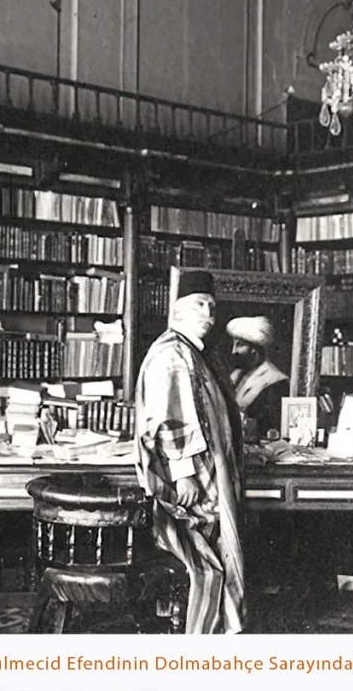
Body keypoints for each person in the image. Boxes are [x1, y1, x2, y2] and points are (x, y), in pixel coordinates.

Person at [133, 270, 247, 634]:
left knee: (220, 550)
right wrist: (183, 472)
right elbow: (170, 415)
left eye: (212, 306)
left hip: (206, 469)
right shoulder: (173, 354)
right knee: (209, 561)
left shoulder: (192, 351)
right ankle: (204, 640)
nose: (208, 314)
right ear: (178, 310)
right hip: (190, 477)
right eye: (199, 304)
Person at [226, 316, 290, 444]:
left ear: (255, 349)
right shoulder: (236, 376)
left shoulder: (275, 380)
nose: (234, 351)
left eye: (240, 345)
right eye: (233, 345)